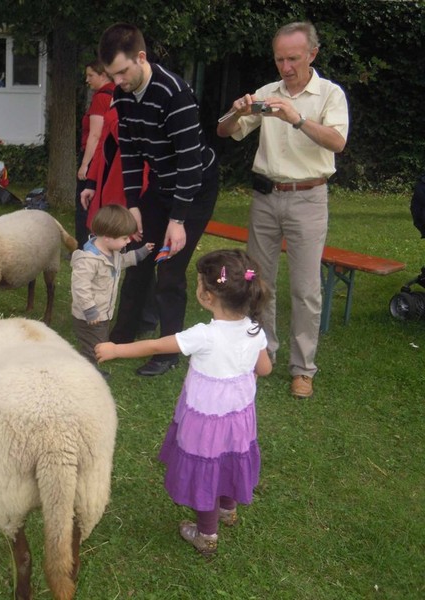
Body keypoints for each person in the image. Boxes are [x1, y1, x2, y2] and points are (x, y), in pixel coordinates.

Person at [96, 249, 272, 556]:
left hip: (206, 421)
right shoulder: (254, 329)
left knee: (207, 470)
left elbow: (155, 345)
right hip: (239, 418)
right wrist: (245, 377)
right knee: (230, 459)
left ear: (207, 295)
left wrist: (115, 350)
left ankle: (206, 534)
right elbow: (265, 369)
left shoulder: (203, 335)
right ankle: (227, 510)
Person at [216, 21, 348, 399]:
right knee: (258, 281)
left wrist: (298, 119)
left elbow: (337, 141)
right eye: (279, 59)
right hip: (265, 197)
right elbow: (224, 131)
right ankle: (263, 355)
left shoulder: (329, 94)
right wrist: (236, 111)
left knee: (306, 289)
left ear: (312, 54)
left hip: (308, 198)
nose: (286, 67)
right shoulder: (266, 92)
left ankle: (303, 369)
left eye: (293, 59)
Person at [96, 23, 219, 377]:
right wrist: (134, 205)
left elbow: (190, 162)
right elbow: (132, 153)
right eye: (112, 75)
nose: (118, 81)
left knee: (169, 269)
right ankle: (122, 336)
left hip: (195, 187)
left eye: (123, 72)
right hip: (160, 185)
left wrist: (177, 221)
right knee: (139, 256)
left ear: (141, 57)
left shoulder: (173, 94)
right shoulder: (123, 95)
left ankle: (168, 351)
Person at [70, 205, 154, 378]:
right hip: (89, 315)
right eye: (124, 238)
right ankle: (88, 373)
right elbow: (80, 287)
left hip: (102, 313)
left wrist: (140, 253)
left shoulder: (111, 252)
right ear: (108, 237)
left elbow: (121, 261)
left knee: (99, 341)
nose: (128, 241)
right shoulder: (88, 260)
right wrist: (90, 309)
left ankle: (87, 367)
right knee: (95, 345)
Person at [75, 59, 116, 246]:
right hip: (107, 157)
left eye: (91, 75)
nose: (87, 80)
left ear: (103, 75)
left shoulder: (101, 97)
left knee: (84, 202)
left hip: (94, 157)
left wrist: (85, 164)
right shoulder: (116, 94)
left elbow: (96, 134)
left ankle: (84, 246)